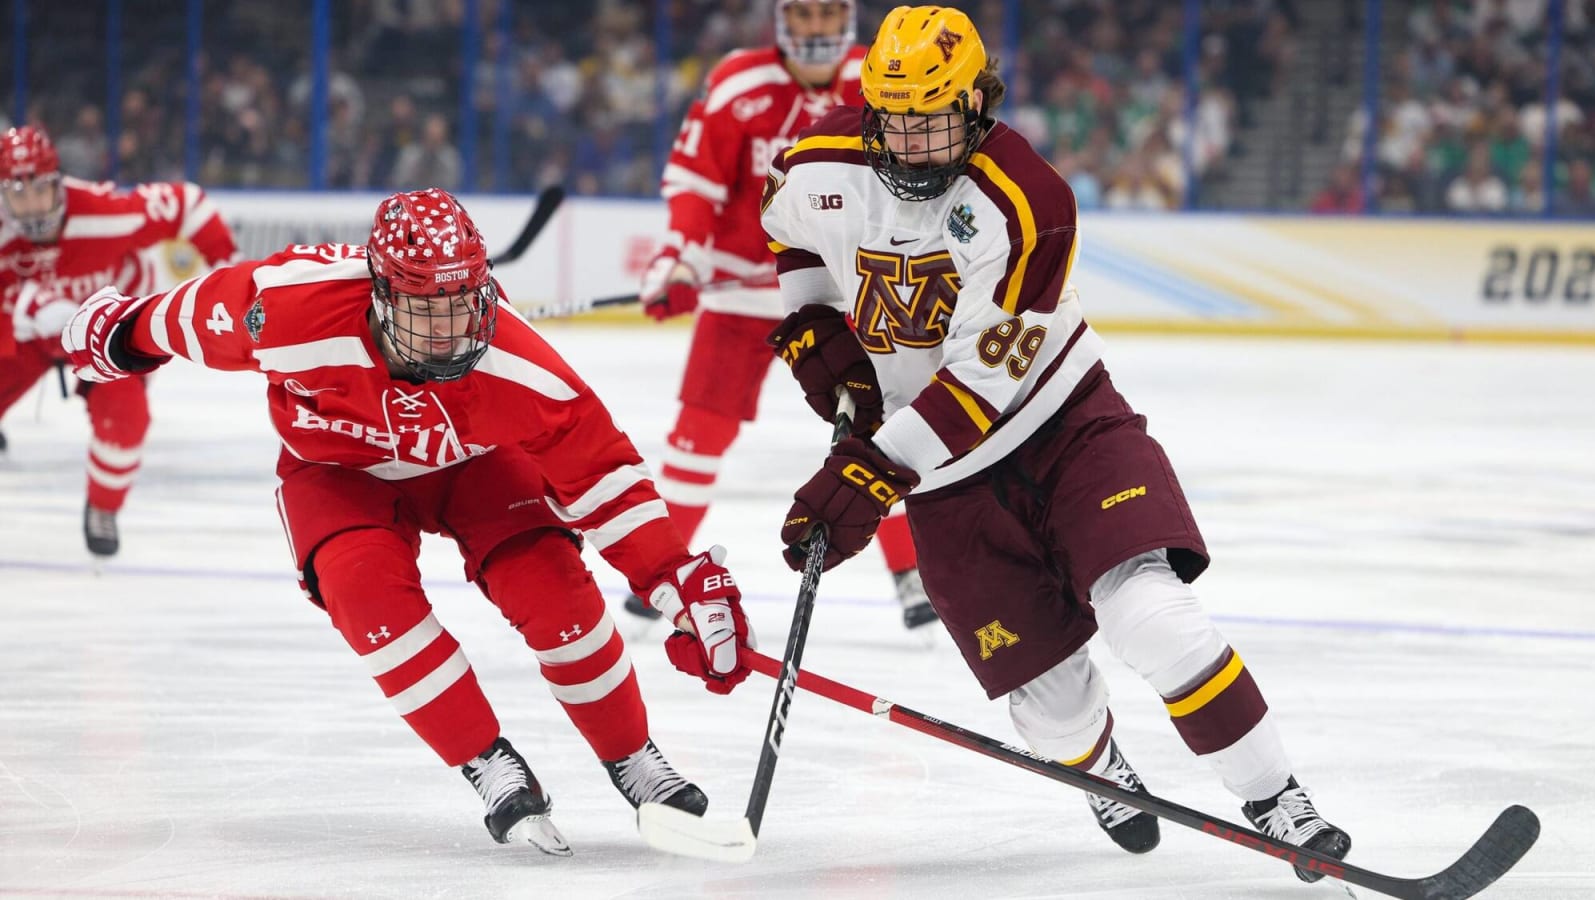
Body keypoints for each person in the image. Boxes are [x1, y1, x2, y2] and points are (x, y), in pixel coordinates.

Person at [757, 5, 1351, 881]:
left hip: (1062, 429)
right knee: (1054, 714)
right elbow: (787, 235)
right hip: (945, 484)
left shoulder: (1029, 200)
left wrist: (871, 473)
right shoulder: (818, 165)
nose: (915, 142)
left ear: (977, 105)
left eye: (935, 121)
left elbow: (982, 384)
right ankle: (1101, 766)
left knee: (1151, 617)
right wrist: (816, 332)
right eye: (897, 121)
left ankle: (1278, 799)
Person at [61, 188, 756, 854]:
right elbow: (189, 317)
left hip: (475, 467)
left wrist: (675, 582)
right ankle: (488, 763)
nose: (455, 328)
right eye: (430, 307)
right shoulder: (289, 308)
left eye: (465, 301)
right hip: (337, 474)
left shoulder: (517, 365)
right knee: (367, 600)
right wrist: (118, 335)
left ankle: (634, 758)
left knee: (559, 596)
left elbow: (603, 475)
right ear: (382, 294)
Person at [631, 0, 936, 631]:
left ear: (847, 20)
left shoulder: (883, 80)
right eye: (803, 15)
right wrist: (678, 260)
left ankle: (912, 573)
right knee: (700, 433)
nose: (816, 28)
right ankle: (658, 571)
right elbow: (696, 184)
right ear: (781, 21)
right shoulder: (739, 82)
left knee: (880, 430)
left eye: (828, 15)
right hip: (742, 299)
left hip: (847, 298)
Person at [0, 125, 238, 556]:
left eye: (41, 189)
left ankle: (103, 506)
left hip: (105, 332)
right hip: (32, 337)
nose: (32, 205)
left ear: (59, 182)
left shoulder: (106, 213)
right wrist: (25, 307)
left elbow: (187, 203)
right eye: (18, 192)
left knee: (126, 422)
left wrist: (233, 268)